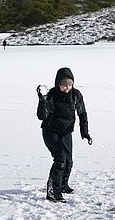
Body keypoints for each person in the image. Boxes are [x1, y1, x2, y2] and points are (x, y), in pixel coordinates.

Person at [37, 67, 91, 202]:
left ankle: (62, 185)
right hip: (50, 131)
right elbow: (41, 116)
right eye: (63, 85)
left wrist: (84, 132)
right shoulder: (51, 95)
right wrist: (42, 101)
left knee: (69, 160)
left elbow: (82, 113)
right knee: (60, 159)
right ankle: (53, 191)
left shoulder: (76, 95)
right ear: (58, 84)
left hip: (66, 132)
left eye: (69, 85)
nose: (67, 88)